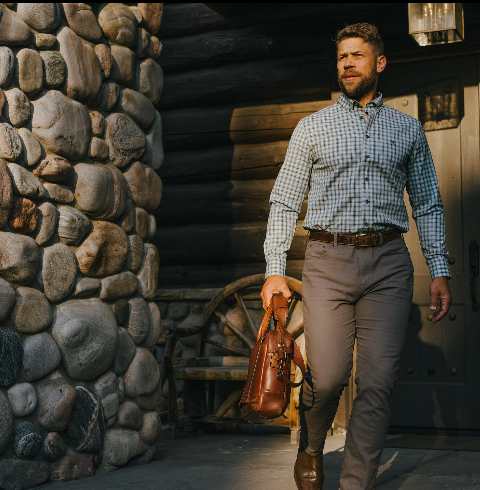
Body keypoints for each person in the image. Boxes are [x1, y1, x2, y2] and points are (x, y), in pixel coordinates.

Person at [260, 23, 452, 490]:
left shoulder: (407, 130)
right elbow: (285, 200)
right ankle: (311, 446)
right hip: (328, 261)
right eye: (342, 56)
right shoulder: (313, 127)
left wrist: (440, 269)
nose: (347, 63)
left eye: (357, 55)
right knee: (325, 379)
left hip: (388, 263)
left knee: (378, 383)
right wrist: (275, 270)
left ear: (379, 63)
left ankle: (356, 482)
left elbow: (427, 202)